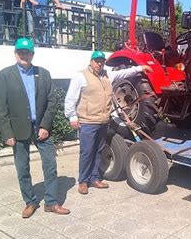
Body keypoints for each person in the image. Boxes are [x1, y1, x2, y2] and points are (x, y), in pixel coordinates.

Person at [0, 37, 70, 218]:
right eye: (21, 52)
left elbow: (52, 101)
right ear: (15, 54)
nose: (24, 55)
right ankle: (30, 201)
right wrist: (7, 132)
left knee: (50, 165)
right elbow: (1, 106)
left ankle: (51, 202)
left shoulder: (43, 74)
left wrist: (45, 125)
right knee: (22, 168)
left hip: (41, 128)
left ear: (32, 54)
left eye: (27, 52)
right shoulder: (5, 75)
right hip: (18, 128)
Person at [64, 50, 152, 195]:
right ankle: (83, 181)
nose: (99, 63)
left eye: (101, 61)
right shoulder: (81, 76)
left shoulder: (107, 75)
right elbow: (70, 99)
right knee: (87, 152)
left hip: (103, 121)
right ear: (91, 62)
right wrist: (72, 117)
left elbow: (124, 73)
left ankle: (94, 178)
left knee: (98, 151)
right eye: (97, 61)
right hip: (88, 122)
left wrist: (141, 68)